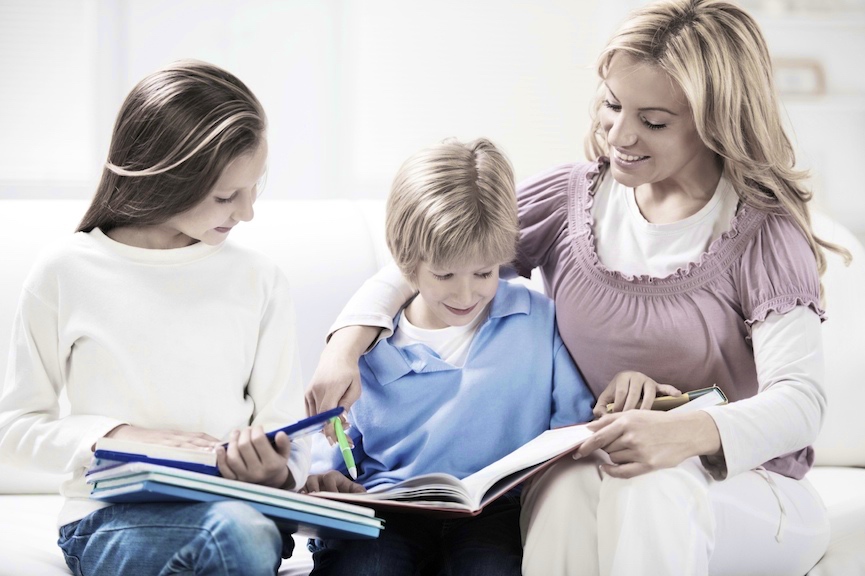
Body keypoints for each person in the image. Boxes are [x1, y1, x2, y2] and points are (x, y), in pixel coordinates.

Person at [303, 1, 852, 574]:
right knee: (561, 487)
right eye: (613, 104)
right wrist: (344, 348)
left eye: (653, 121)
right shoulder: (570, 201)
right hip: (601, 462)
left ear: (716, 121)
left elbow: (800, 403)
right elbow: (433, 256)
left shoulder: (761, 233)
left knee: (652, 483)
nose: (619, 133)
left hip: (746, 488)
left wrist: (680, 434)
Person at [0, 60, 309, 575]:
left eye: (254, 188)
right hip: (109, 517)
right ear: (166, 179)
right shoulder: (66, 271)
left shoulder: (260, 279)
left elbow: (286, 431)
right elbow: (13, 429)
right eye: (226, 196)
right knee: (235, 536)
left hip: (240, 510)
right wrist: (115, 436)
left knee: (243, 531)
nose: (247, 213)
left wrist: (276, 472)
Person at [303, 138, 594, 576]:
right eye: (444, 275)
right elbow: (335, 450)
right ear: (407, 264)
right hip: (387, 507)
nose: (465, 294)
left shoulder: (536, 319)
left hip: (496, 511)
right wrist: (326, 478)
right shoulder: (367, 344)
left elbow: (573, 427)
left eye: (484, 272)